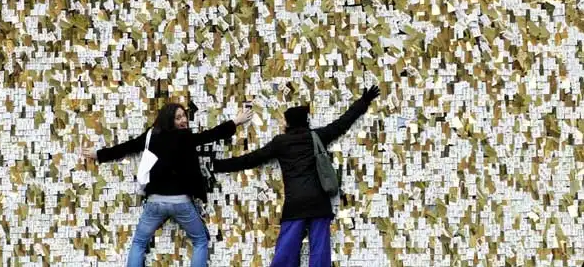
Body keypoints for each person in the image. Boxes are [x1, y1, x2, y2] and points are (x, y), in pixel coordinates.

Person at [213, 86, 381, 267]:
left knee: (286, 253)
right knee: (320, 253)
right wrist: (363, 102)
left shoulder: (280, 143)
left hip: (295, 204)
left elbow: (251, 159)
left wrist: (218, 165)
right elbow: (342, 123)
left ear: (289, 123)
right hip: (319, 202)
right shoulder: (317, 136)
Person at [82, 102, 253, 267]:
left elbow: (129, 146)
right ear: (169, 119)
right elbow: (211, 134)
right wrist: (236, 121)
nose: (183, 120)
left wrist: (99, 154)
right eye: (178, 117)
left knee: (139, 242)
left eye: (184, 116)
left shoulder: (152, 135)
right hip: (181, 202)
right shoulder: (185, 137)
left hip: (155, 202)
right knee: (200, 240)